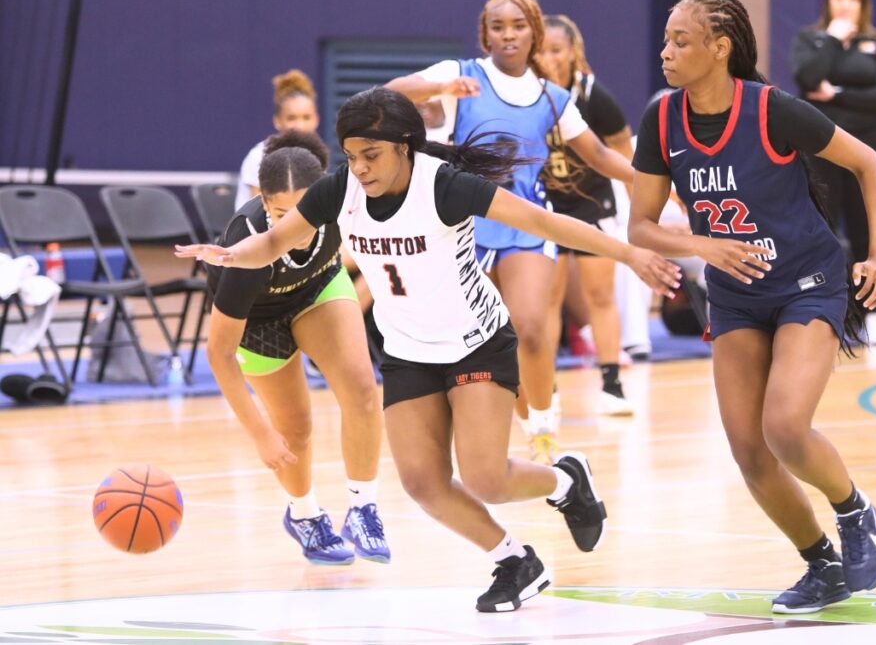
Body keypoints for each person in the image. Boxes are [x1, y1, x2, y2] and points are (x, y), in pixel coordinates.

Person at [177, 87, 680, 612]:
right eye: (351, 156)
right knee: (423, 484)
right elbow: (277, 241)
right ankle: (515, 561)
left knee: (486, 476)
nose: (360, 168)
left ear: (405, 146)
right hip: (408, 351)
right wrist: (232, 255)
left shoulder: (445, 186)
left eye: (371, 155)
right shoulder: (337, 191)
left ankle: (565, 480)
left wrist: (629, 254)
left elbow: (543, 222)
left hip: (475, 343)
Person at [629, 0, 876, 614]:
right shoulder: (661, 120)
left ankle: (854, 511)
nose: (665, 52)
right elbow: (640, 226)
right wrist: (704, 245)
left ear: (720, 48)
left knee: (783, 428)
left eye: (681, 41)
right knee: (749, 451)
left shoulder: (772, 111)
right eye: (666, 40)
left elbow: (869, 163)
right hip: (735, 297)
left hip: (807, 280)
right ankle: (820, 565)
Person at [384, 0, 635, 462]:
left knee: (533, 327)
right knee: (470, 334)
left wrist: (648, 180)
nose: (508, 34)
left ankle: (542, 425)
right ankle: (476, 420)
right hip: (465, 224)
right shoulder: (461, 74)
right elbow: (392, 93)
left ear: (534, 32)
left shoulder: (552, 96)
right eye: (498, 27)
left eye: (518, 26)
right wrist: (439, 89)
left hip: (525, 222)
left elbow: (600, 155)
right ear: (486, 34)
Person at [204, 130, 389, 565]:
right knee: (295, 429)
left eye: (301, 211)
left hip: (318, 288)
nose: (295, 226)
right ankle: (304, 514)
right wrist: (260, 434)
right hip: (259, 320)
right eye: (280, 212)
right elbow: (218, 353)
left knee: (363, 388)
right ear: (264, 203)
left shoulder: (347, 199)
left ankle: (363, 508)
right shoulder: (245, 244)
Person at [789, 0, 876, 345]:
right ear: (828, 1)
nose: (845, 4)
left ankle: (875, 312)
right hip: (819, 149)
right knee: (822, 230)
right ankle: (824, 311)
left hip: (868, 148)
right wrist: (832, 42)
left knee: (867, 229)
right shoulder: (812, 39)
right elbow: (805, 80)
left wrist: (835, 95)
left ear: (862, 3)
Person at [538, 13, 636, 416]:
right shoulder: (526, 95)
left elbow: (622, 151)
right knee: (547, 299)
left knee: (600, 294)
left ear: (573, 53)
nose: (547, 58)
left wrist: (639, 205)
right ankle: (546, 387)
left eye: (556, 50)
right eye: (540, 51)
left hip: (592, 202)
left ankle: (612, 384)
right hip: (545, 204)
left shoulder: (595, 97)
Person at [236, 69, 321, 210]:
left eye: (306, 117)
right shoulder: (259, 156)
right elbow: (258, 215)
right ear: (277, 121)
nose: (299, 125)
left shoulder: (316, 158)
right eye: (291, 118)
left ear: (316, 120)